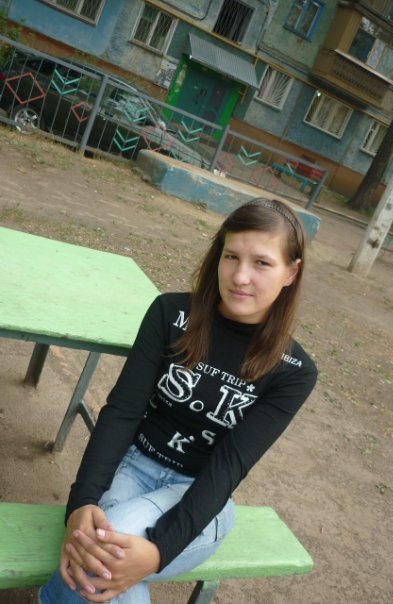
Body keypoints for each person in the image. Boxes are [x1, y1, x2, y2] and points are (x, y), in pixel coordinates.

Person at [39, 197, 318, 604]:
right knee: (104, 554)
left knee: (106, 546)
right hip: (133, 467)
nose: (240, 276)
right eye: (231, 257)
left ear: (291, 272)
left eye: (261, 263)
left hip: (199, 496)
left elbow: (229, 466)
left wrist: (159, 551)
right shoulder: (170, 313)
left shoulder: (294, 370)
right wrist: (81, 502)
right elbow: (122, 412)